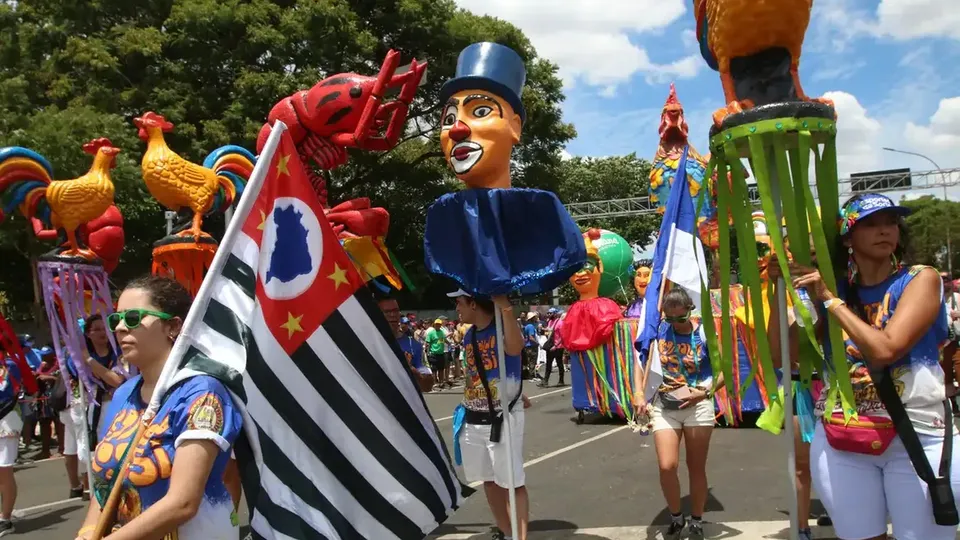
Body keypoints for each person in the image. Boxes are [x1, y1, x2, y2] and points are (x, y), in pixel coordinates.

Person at [769, 193, 960, 540]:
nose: (884, 230)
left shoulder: (920, 279)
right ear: (847, 238)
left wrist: (829, 300)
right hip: (844, 438)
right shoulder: (834, 289)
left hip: (915, 435)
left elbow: (885, 350)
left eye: (890, 223)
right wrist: (775, 289)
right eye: (870, 224)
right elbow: (783, 353)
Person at [75, 275, 242, 540]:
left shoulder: (202, 393)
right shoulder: (123, 394)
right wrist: (87, 531)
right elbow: (107, 485)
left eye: (132, 318)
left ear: (172, 326)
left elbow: (182, 503)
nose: (119, 328)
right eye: (115, 320)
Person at [635, 287, 721, 539]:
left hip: (698, 404)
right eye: (669, 318)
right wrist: (638, 393)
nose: (674, 323)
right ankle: (676, 516)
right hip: (665, 405)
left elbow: (725, 370)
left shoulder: (705, 332)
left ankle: (696, 520)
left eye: (679, 318)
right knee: (667, 465)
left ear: (690, 311)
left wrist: (704, 393)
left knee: (696, 467)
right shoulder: (657, 331)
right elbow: (640, 361)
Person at [451, 289, 531, 540]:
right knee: (488, 480)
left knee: (512, 482)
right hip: (473, 416)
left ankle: (520, 537)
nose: (457, 309)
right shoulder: (469, 335)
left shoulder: (501, 329)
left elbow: (515, 349)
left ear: (473, 303)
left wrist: (503, 305)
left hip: (501, 417)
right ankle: (507, 533)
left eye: (459, 303)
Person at [0, 355, 23, 536]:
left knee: (4, 470)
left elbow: (10, 393)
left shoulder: (9, 365)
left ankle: (5, 519)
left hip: (6, 421)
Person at [941, 272, 960, 409]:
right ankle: (953, 405)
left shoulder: (958, 297)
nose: (943, 282)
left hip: (958, 341)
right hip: (943, 343)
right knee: (946, 375)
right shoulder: (934, 299)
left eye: (946, 279)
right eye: (940, 279)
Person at [540, 308, 565, 387]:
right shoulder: (550, 322)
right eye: (548, 313)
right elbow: (548, 332)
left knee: (559, 363)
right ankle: (545, 381)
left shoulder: (560, 323)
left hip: (558, 347)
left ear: (555, 314)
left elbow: (563, 336)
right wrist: (543, 330)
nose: (548, 315)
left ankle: (561, 380)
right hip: (550, 345)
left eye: (550, 313)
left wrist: (556, 346)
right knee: (548, 364)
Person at [425, 319, 448, 389]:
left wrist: (449, 343)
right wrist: (427, 352)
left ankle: (441, 382)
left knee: (441, 369)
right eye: (436, 324)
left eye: (439, 324)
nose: (438, 326)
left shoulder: (441, 332)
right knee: (434, 369)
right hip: (433, 353)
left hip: (441, 353)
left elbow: (442, 340)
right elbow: (427, 343)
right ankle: (435, 383)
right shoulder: (431, 333)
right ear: (434, 325)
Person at [522, 313, 539, 381]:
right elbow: (531, 337)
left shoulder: (526, 326)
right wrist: (537, 343)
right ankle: (531, 376)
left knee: (529, 361)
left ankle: (530, 375)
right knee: (532, 361)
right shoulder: (531, 326)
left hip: (527, 346)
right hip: (532, 346)